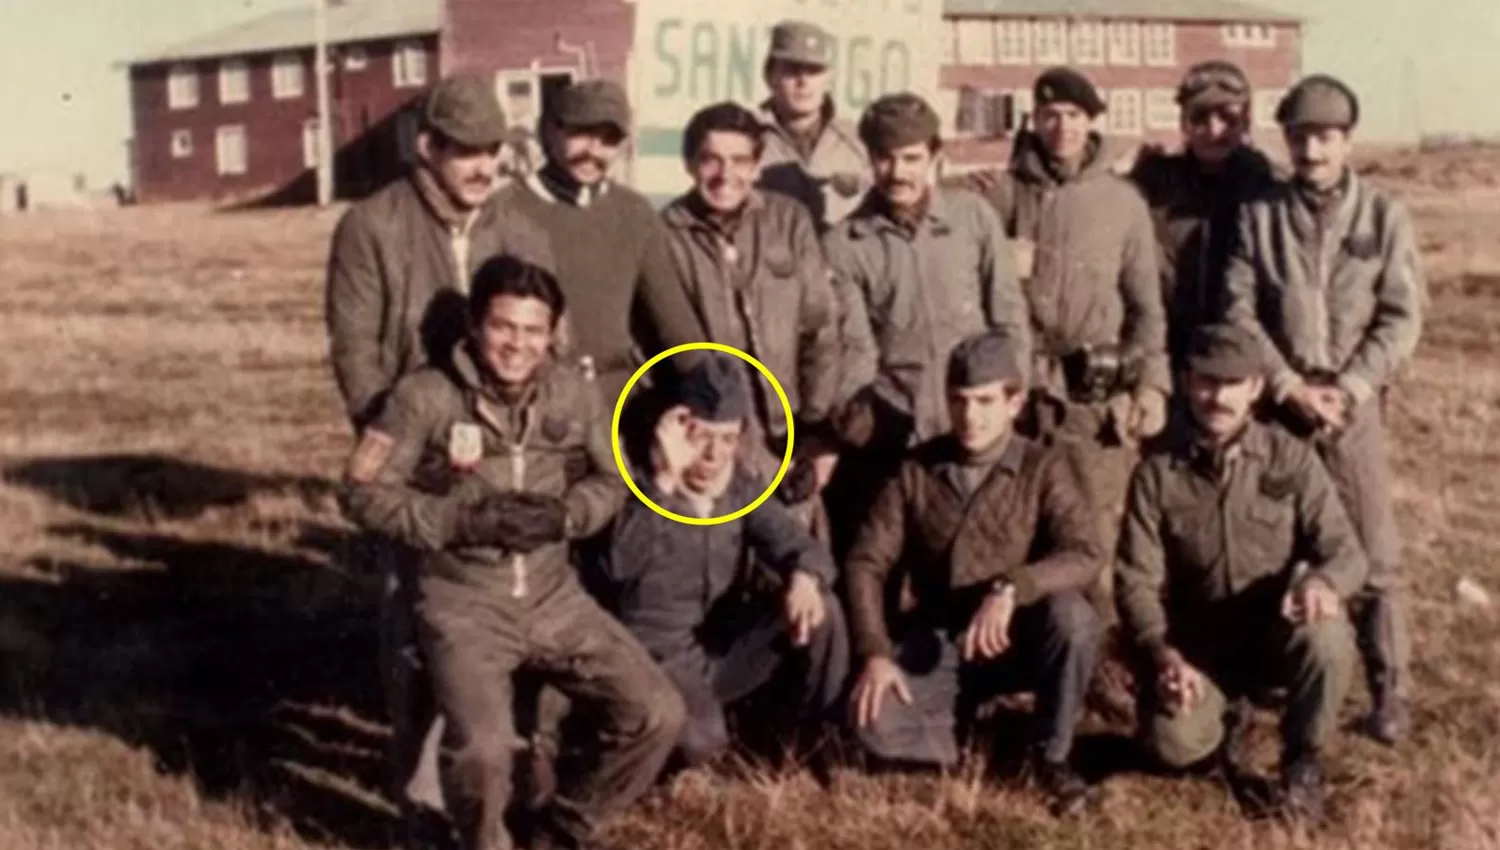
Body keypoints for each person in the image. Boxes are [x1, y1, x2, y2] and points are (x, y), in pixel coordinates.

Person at [340, 255, 685, 850]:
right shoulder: (423, 397)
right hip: (463, 602)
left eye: (533, 331)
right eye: (503, 327)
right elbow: (359, 493)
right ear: (475, 326)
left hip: (555, 597)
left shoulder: (573, 394)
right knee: (482, 751)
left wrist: (566, 515)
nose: (517, 345)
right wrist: (459, 520)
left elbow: (613, 483)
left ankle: (563, 828)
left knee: (658, 713)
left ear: (552, 335)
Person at [322, 71, 553, 834]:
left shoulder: (518, 221)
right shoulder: (371, 226)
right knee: (415, 637)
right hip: (414, 460)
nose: (483, 166)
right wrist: (398, 453)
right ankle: (416, 810)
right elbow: (356, 353)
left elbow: (552, 334)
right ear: (428, 147)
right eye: (466, 152)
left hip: (505, 455)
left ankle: (495, 796)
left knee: (504, 631)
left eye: (493, 150)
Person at [1223, 74, 1423, 745]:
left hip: (1352, 407)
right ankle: (1269, 681)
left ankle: (1389, 688)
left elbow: (1401, 317)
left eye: (1326, 137)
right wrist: (1284, 385)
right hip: (1283, 408)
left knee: (1375, 553)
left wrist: (1355, 385)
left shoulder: (1383, 216)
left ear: (1347, 141)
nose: (1312, 151)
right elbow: (1240, 310)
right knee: (1272, 544)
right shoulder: (1260, 215)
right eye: (1301, 137)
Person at [964, 68, 1168, 717]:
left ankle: (1101, 665)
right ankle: (999, 664)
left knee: (1092, 539)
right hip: (1021, 394)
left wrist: (1149, 383)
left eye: (1075, 116)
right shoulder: (1001, 195)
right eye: (1050, 115)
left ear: (1092, 123)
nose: (1062, 127)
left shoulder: (1121, 202)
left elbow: (1148, 311)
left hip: (1091, 402)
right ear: (1035, 119)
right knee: (1008, 527)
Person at [1115, 323, 1367, 821]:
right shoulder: (1156, 472)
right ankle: (1220, 725)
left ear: (1255, 389)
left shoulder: (1290, 458)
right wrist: (1163, 655)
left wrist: (1322, 583)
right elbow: (1134, 582)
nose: (1218, 397)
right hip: (1199, 649)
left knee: (1328, 636)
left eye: (1233, 384)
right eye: (1207, 382)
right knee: (1171, 746)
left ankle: (1302, 761)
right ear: (1187, 382)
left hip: (1276, 633)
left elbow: (1348, 552)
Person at [845, 332, 1103, 816]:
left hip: (1020, 634)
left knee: (1074, 619)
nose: (971, 416)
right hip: (942, 643)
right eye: (958, 401)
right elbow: (866, 562)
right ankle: (970, 739)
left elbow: (1085, 552)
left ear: (1015, 402)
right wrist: (876, 651)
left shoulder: (1043, 465)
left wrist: (1015, 587)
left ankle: (1053, 756)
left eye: (985, 401)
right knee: (871, 723)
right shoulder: (917, 470)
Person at [598, 355, 848, 765]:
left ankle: (813, 743)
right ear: (676, 430)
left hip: (718, 648)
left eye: (728, 439)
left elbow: (796, 541)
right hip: (654, 658)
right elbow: (618, 564)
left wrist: (805, 575)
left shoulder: (737, 488)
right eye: (702, 437)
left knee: (823, 611)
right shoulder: (638, 486)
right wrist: (663, 483)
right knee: (702, 744)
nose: (715, 454)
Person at [824, 91, 1029, 556]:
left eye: (912, 158)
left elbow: (1008, 317)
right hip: (902, 435)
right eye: (885, 158)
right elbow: (857, 354)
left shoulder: (972, 218)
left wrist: (1015, 401)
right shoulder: (845, 244)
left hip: (982, 425)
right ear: (870, 159)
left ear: (936, 157)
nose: (899, 173)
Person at [660, 101, 844, 527]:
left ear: (758, 165)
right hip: (710, 444)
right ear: (690, 163)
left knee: (797, 562)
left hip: (787, 437)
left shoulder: (788, 222)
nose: (726, 175)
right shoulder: (666, 235)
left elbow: (821, 329)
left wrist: (815, 430)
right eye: (711, 160)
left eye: (740, 160)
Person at [495, 79, 705, 403]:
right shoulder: (505, 209)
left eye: (608, 139)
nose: (593, 151)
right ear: (549, 132)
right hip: (536, 399)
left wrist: (709, 387)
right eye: (580, 133)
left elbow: (675, 323)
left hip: (619, 399)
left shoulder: (633, 212)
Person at [1127, 60, 1280, 374]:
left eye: (1228, 118)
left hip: (1246, 356)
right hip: (1170, 351)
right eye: (1199, 118)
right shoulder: (1154, 183)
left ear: (1246, 122)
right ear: (1183, 123)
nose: (1214, 130)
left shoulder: (1269, 188)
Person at [756, 19, 871, 229]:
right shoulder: (748, 139)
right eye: (791, 71)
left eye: (814, 71)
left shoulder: (857, 141)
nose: (803, 82)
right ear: (769, 76)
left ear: (829, 79)